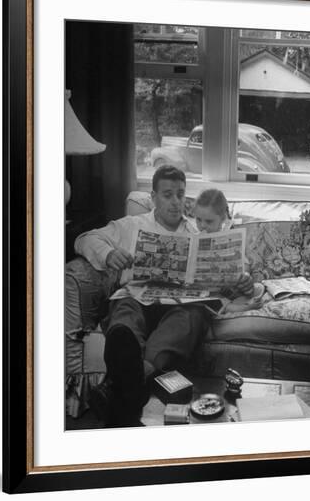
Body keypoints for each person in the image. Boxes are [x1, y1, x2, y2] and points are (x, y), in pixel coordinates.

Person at [75, 166, 206, 427]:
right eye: (167, 195)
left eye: (180, 195)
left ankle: (126, 383)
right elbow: (83, 239)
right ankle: (137, 379)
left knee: (192, 316)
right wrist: (109, 255)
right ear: (153, 197)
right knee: (125, 312)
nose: (175, 202)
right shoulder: (132, 225)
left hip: (177, 307)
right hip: (137, 297)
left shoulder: (196, 233)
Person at [194, 188, 254, 298]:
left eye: (209, 221)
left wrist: (244, 276)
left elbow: (244, 265)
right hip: (199, 293)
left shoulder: (230, 237)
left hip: (224, 293)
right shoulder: (194, 239)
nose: (202, 225)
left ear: (222, 218)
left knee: (256, 288)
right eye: (198, 219)